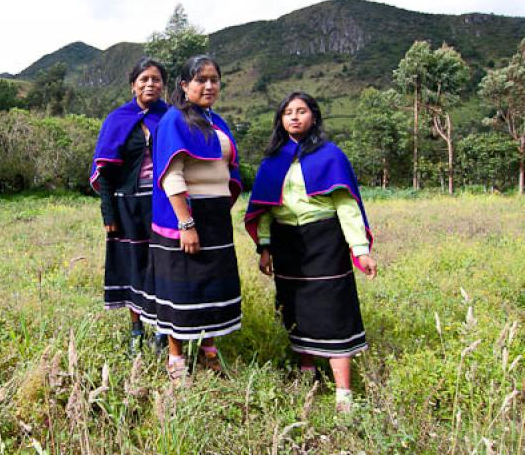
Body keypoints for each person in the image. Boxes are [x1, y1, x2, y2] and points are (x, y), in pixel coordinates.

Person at [244, 91, 378, 412]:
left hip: (325, 242)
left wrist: (360, 250)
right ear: (280, 120)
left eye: (301, 111)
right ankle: (308, 376)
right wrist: (265, 248)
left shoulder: (331, 156)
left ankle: (343, 394)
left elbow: (347, 206)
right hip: (286, 244)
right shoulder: (272, 160)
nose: (294, 117)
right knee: (295, 308)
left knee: (334, 310)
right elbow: (264, 211)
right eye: (287, 112)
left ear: (313, 116)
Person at [141, 55, 242, 385]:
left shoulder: (217, 122)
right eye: (201, 80)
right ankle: (176, 358)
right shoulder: (174, 121)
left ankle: (209, 351)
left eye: (214, 79)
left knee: (212, 286)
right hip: (185, 218)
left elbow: (228, 170)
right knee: (181, 289)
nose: (209, 85)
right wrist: (186, 223)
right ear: (184, 86)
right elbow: (171, 176)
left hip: (216, 218)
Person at [90, 57, 169, 354]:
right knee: (132, 267)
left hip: (164, 204)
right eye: (144, 79)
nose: (150, 84)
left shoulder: (172, 118)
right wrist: (108, 213)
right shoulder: (117, 119)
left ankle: (162, 331)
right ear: (133, 85)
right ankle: (137, 329)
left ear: (164, 85)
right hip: (126, 207)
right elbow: (106, 173)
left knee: (163, 267)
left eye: (156, 79)